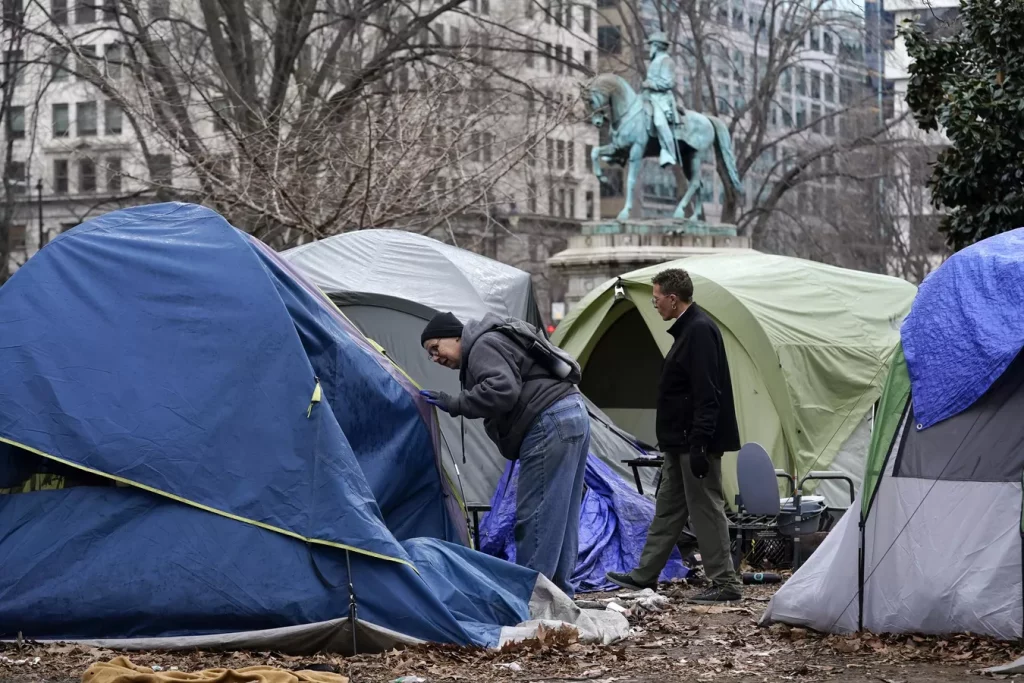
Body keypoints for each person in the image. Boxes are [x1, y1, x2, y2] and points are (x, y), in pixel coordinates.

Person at [419, 311, 591, 596]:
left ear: (456, 335)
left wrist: (455, 402)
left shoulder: (482, 345)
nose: (436, 358)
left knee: (535, 513)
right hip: (572, 413)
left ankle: (531, 600)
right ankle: (559, 595)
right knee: (562, 514)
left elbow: (502, 390)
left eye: (435, 348)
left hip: (548, 420)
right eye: (430, 355)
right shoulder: (492, 339)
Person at [606, 268, 742, 604]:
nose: (654, 305)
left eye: (655, 299)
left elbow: (707, 393)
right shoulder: (689, 331)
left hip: (693, 443)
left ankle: (725, 581)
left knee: (706, 508)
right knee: (668, 508)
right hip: (678, 443)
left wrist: (699, 444)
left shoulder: (699, 331)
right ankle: (644, 574)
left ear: (672, 298)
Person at [642, 31, 680, 167]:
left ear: (657, 46)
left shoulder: (666, 61)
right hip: (649, 96)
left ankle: (669, 152)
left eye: (651, 45)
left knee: (658, 122)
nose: (649, 48)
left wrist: (650, 84)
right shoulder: (654, 61)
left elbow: (668, 83)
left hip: (661, 99)